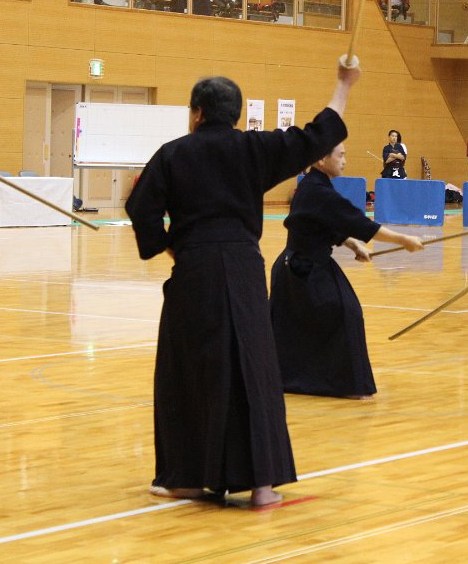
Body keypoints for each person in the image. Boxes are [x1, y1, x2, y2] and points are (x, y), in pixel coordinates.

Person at [125, 61, 360, 506]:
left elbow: (141, 208)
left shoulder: (173, 154)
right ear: (235, 114)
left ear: (197, 113)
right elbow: (317, 135)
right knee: (255, 369)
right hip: (245, 270)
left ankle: (188, 478)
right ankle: (262, 485)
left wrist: (169, 246)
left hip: (195, 271)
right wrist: (343, 85)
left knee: (191, 370)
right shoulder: (255, 149)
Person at [270, 143, 424, 400]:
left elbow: (322, 223)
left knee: (315, 318)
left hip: (297, 265)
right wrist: (403, 240)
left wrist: (352, 244)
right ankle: (342, 383)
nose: (344, 161)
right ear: (321, 159)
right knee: (346, 311)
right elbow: (358, 222)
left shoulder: (312, 185)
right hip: (304, 268)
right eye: (340, 155)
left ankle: (297, 378)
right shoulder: (318, 190)